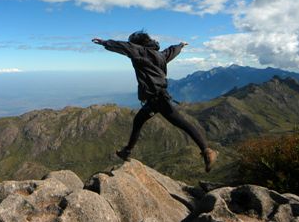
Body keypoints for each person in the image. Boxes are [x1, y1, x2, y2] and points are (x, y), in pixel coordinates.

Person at [92, 31, 218, 172]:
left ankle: (207, 151)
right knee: (139, 121)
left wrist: (104, 42)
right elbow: (172, 51)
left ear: (136, 43)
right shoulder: (161, 55)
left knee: (182, 123)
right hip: (156, 99)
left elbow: (122, 46)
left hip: (158, 99)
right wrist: (181, 45)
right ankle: (127, 151)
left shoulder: (138, 50)